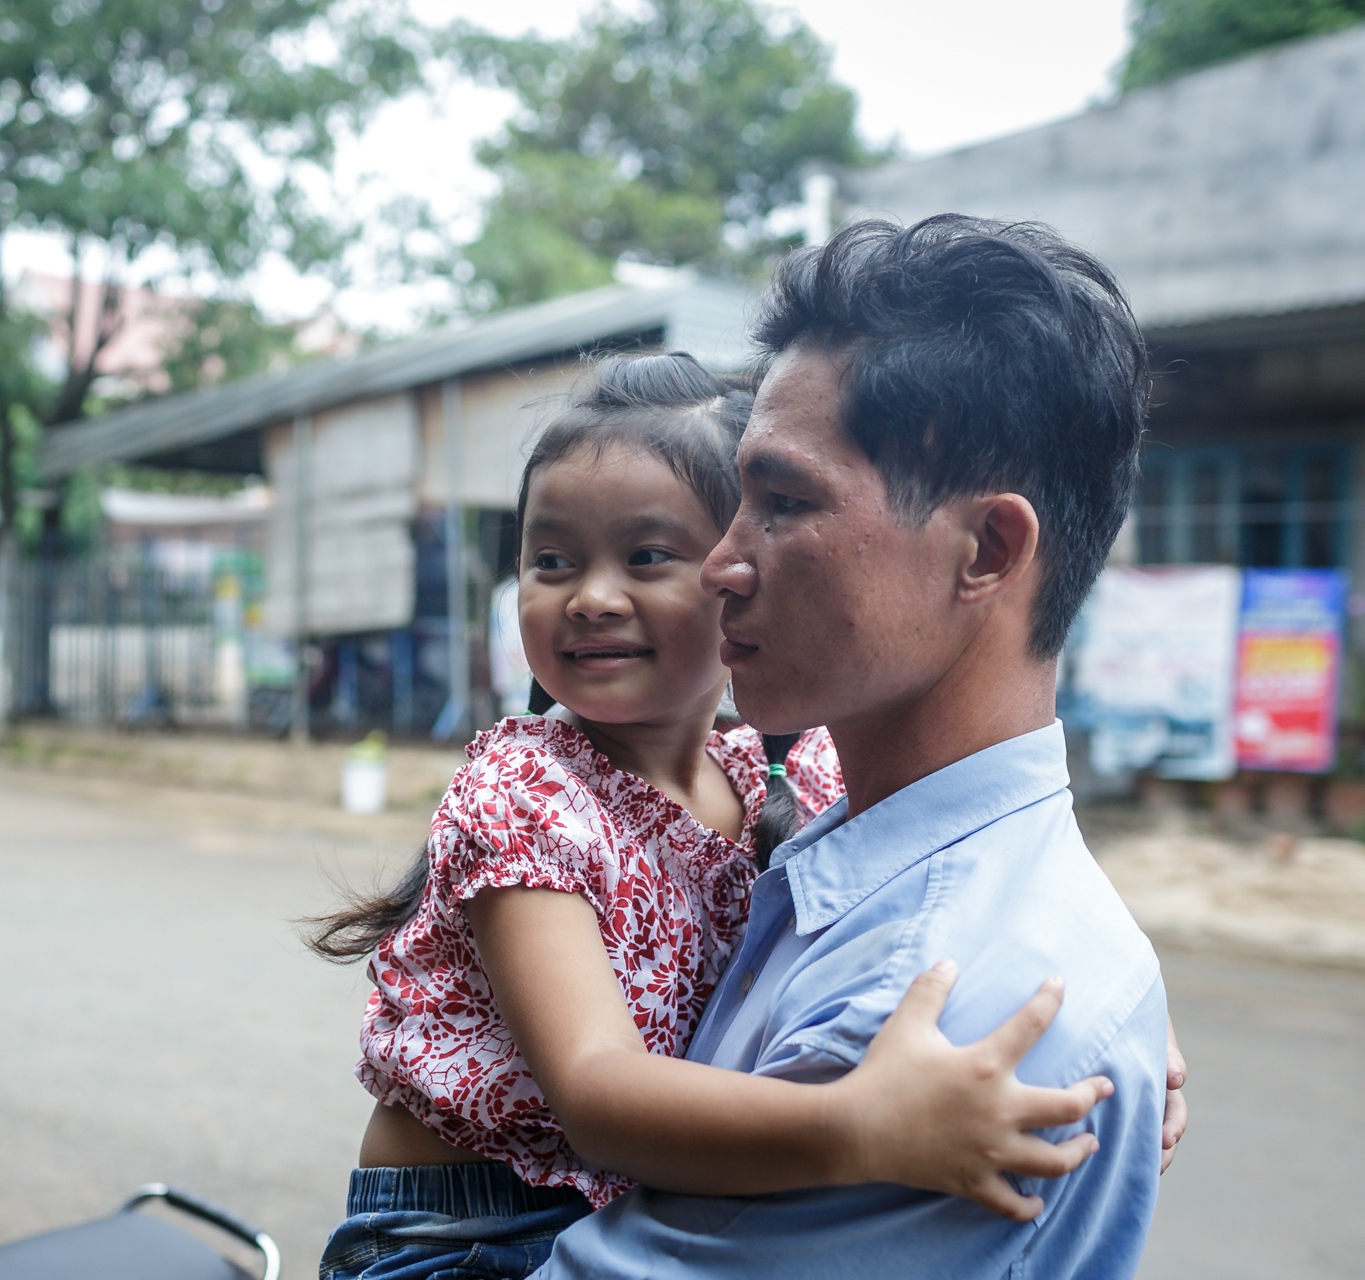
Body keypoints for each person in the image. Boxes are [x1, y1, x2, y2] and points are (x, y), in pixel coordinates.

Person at [305, 352, 1122, 1280]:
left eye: (648, 556)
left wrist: (1103, 1038)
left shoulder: (780, 765)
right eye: (551, 560)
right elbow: (596, 1093)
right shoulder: (526, 795)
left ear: (739, 571)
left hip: (625, 1198)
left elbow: (974, 872)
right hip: (462, 1237)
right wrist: (858, 1129)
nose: (592, 596)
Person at [536, 216, 1171, 1279]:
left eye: (785, 503)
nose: (720, 564)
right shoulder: (855, 846)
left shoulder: (928, 1018)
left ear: (988, 549)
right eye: (740, 497)